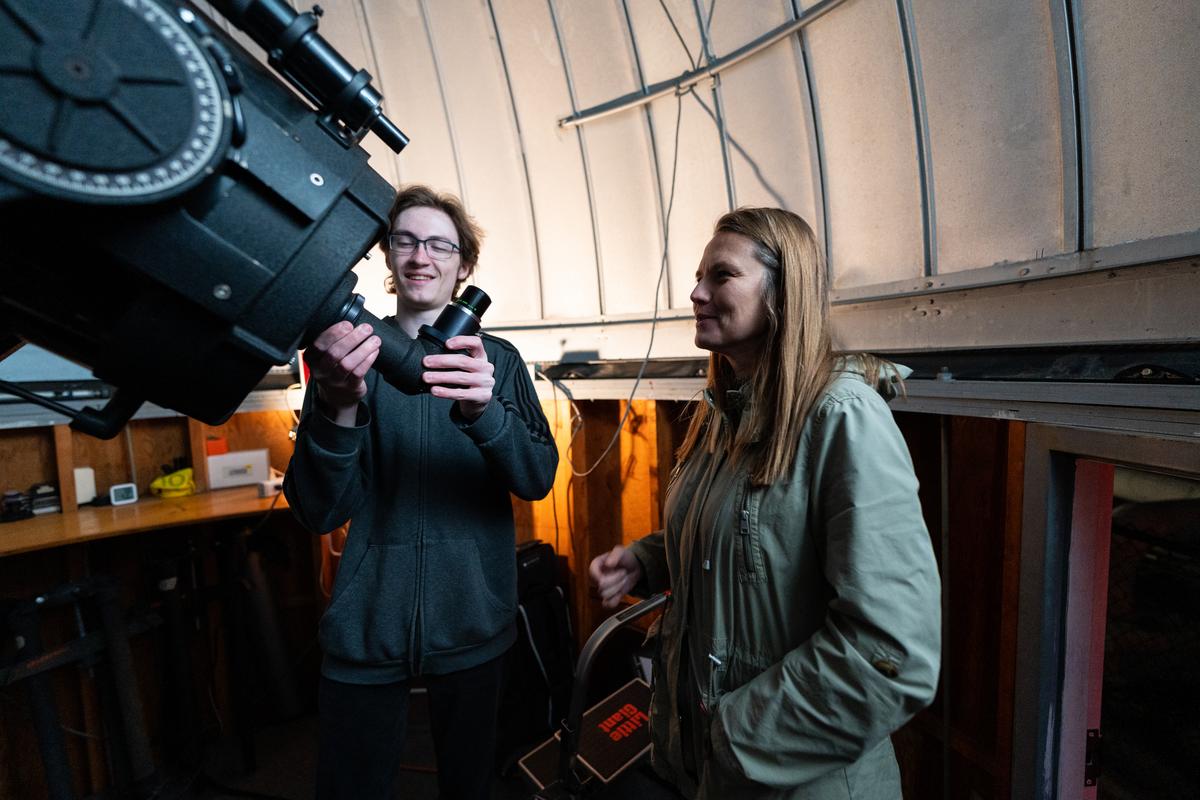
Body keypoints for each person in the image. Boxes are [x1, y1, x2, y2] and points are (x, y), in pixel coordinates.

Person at [589, 207, 941, 799]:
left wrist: (733, 735)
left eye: (721, 276)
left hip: (797, 781)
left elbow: (891, 653)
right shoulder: (721, 412)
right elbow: (753, 540)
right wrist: (649, 558)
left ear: (782, 293)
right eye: (699, 275)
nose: (696, 292)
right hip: (715, 777)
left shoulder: (841, 418)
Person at [284, 185, 558, 800]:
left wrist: (486, 411)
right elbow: (320, 509)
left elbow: (536, 477)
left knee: (471, 787)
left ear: (463, 267)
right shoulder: (348, 355)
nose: (420, 257)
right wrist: (337, 404)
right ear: (387, 255)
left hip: (473, 621)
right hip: (367, 625)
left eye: (440, 244)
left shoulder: (499, 362)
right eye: (405, 240)